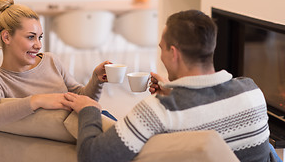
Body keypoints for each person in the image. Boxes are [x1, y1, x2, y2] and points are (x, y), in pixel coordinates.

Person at [63, 10, 275, 162]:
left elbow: (93, 156)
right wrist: (177, 91)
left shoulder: (158, 110)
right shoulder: (252, 91)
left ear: (173, 53)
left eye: (162, 48)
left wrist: (89, 108)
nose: (161, 54)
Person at [0, 0, 110, 130]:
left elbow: (81, 99)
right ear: (7, 37)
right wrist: (37, 100)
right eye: (31, 37)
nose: (39, 45)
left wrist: (96, 80)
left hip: (91, 124)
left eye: (40, 37)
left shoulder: (51, 61)